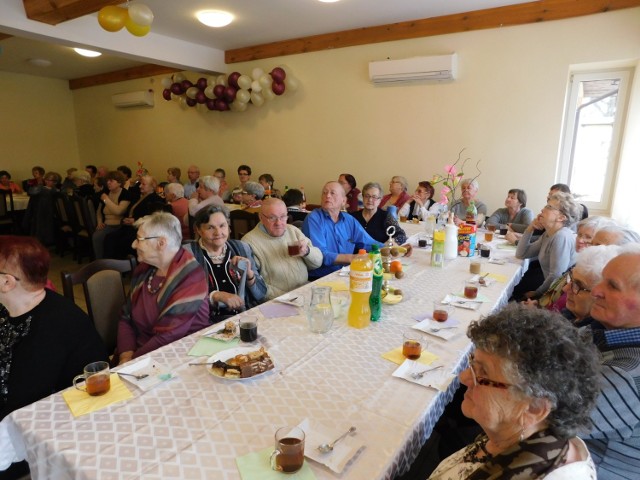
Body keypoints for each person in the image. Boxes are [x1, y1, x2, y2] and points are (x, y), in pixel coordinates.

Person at [428, 304, 601, 479]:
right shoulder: (523, 437)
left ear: (533, 409)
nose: (464, 377)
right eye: (473, 363)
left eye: (483, 373)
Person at [0, 235, 107, 428]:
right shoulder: (8, 307)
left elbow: (21, 409)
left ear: (7, 282)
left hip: (57, 424)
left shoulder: (53, 326)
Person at [580, 244, 640, 478]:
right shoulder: (603, 330)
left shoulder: (627, 374)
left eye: (612, 286)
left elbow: (533, 420)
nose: (595, 290)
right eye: (602, 280)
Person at [117, 212, 209, 364]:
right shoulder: (144, 269)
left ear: (161, 243)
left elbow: (168, 337)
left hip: (179, 357)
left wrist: (132, 362)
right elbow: (126, 316)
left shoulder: (190, 275)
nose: (133, 244)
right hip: (138, 356)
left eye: (139, 239)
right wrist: (125, 355)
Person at [183, 205, 267, 324]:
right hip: (207, 323)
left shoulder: (241, 248)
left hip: (246, 318)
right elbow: (184, 300)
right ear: (198, 230)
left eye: (222, 226)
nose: (218, 232)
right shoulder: (188, 254)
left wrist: (249, 274)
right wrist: (215, 296)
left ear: (229, 227)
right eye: (210, 227)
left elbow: (260, 294)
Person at [303, 181, 393, 279]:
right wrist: (353, 258)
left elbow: (368, 243)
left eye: (332, 193)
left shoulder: (349, 220)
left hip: (346, 274)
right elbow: (320, 255)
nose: (327, 196)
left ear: (343, 201)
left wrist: (390, 249)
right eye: (324, 193)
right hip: (321, 277)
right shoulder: (314, 218)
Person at [243, 198, 323, 299]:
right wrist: (289, 297)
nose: (279, 223)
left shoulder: (293, 230)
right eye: (272, 218)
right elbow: (257, 285)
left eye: (283, 217)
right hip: (277, 301)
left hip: (303, 292)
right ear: (261, 217)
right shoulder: (249, 242)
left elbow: (317, 263)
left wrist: (307, 251)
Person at [513, 192, 579, 300]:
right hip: (550, 291)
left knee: (514, 296)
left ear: (561, 217)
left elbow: (556, 275)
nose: (542, 209)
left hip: (558, 297)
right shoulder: (548, 234)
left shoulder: (561, 236)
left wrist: (537, 293)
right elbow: (521, 254)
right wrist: (530, 228)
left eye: (549, 207)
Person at [104, 175, 165, 260]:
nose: (140, 186)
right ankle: (110, 266)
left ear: (152, 186)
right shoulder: (137, 197)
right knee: (110, 237)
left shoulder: (156, 199)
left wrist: (135, 220)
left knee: (121, 241)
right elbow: (128, 211)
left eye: (143, 184)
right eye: (140, 184)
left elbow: (154, 218)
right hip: (128, 227)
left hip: (140, 230)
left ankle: (123, 267)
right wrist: (124, 219)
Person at [560, 244, 620, 327]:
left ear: (601, 296)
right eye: (570, 279)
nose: (565, 289)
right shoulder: (571, 313)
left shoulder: (592, 336)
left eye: (578, 285)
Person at [93, 171, 131, 259]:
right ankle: (99, 261)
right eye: (107, 181)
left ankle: (106, 262)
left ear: (119, 182)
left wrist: (106, 199)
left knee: (103, 237)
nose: (108, 183)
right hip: (106, 224)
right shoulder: (106, 192)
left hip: (119, 225)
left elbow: (119, 211)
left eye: (111, 181)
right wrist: (99, 222)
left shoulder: (125, 194)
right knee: (97, 236)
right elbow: (99, 211)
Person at [22, 171, 62, 246]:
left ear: (55, 182)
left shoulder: (42, 190)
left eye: (49, 180)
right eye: (46, 179)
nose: (46, 181)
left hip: (40, 215)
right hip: (45, 215)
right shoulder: (45, 191)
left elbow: (30, 192)